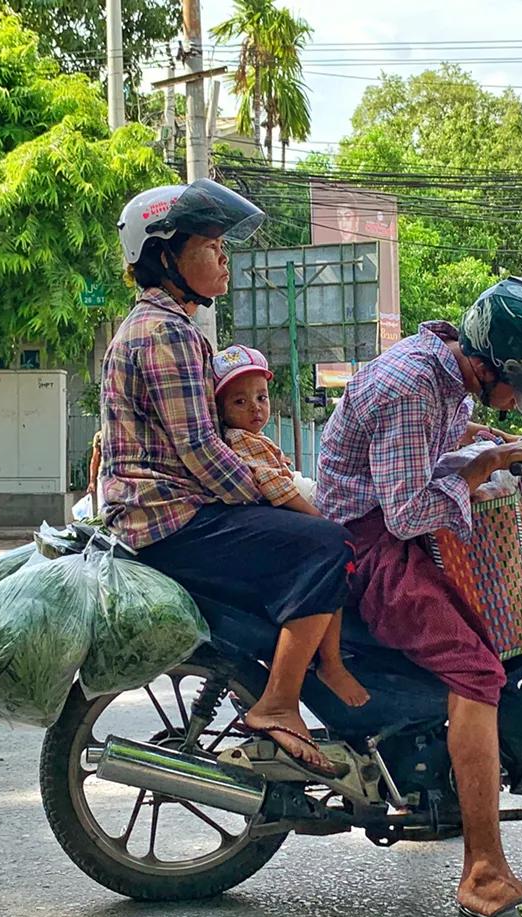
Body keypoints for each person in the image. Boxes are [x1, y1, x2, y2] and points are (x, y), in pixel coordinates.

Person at [316, 276, 522, 917]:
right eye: (521, 382)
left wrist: (493, 440)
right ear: (492, 365)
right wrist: (486, 460)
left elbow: (443, 432)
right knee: (477, 672)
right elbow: (408, 511)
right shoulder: (412, 385)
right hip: (372, 547)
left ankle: (439, 781)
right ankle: (484, 877)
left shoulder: (442, 373)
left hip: (387, 528)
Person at [99, 179, 354, 779]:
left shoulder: (165, 326)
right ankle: (279, 704)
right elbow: (201, 452)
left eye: (223, 245)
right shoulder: (167, 333)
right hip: (169, 518)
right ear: (165, 256)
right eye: (209, 245)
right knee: (328, 544)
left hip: (167, 512)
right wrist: (288, 496)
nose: (223, 258)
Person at [211, 342, 369, 708]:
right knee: (334, 557)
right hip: (275, 527)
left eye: (261, 397)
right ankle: (328, 664)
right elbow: (276, 486)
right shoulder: (238, 441)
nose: (255, 408)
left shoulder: (256, 439)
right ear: (220, 409)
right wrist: (320, 520)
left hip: (276, 522)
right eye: (240, 401)